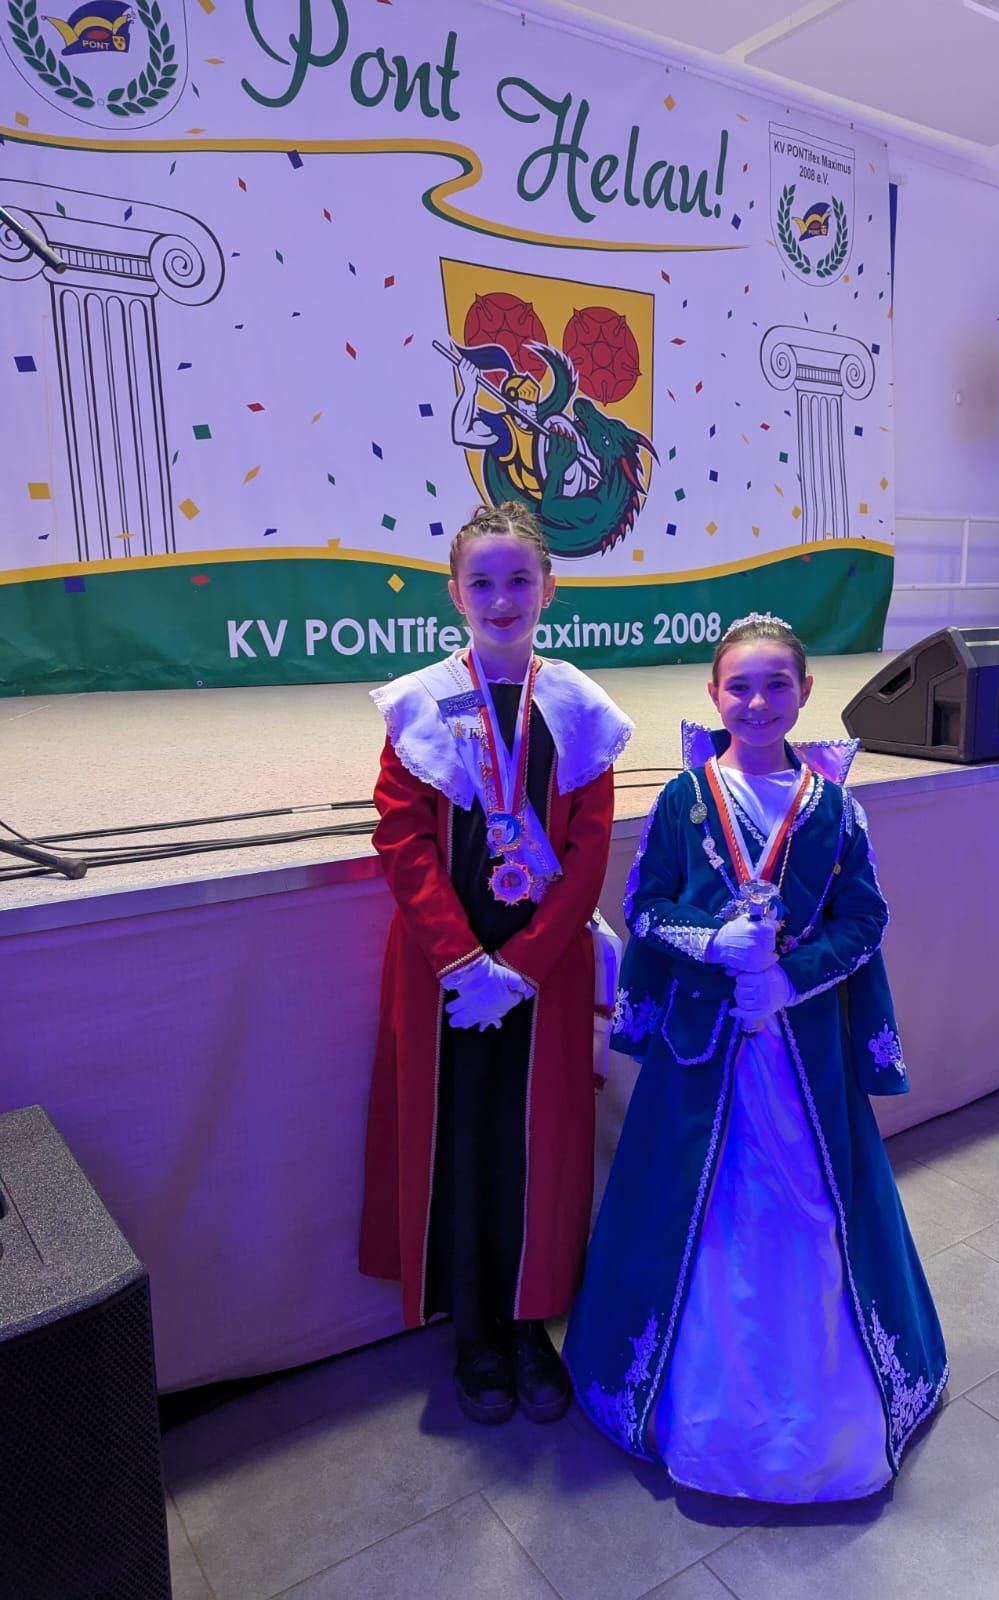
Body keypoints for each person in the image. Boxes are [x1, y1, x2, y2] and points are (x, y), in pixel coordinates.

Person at [564, 613, 947, 1501]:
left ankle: (827, 1400)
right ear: (713, 694)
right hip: (702, 1052)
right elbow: (646, 904)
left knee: (813, 1208)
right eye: (739, 686)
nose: (757, 702)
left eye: (777, 685)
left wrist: (787, 979)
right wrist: (711, 941)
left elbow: (866, 918)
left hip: (801, 1053)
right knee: (694, 1203)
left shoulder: (834, 809)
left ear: (805, 693)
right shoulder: (684, 798)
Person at [359, 501, 632, 1426]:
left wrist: (521, 966)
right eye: (483, 581)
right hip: (445, 970)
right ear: (455, 593)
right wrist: (463, 961)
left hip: (541, 968)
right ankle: (474, 1327)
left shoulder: (579, 708)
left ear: (549, 588)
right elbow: (401, 840)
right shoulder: (420, 702)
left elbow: (588, 851)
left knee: (538, 1143)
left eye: (520, 579)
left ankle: (527, 1323)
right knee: (462, 1138)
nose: (502, 597)